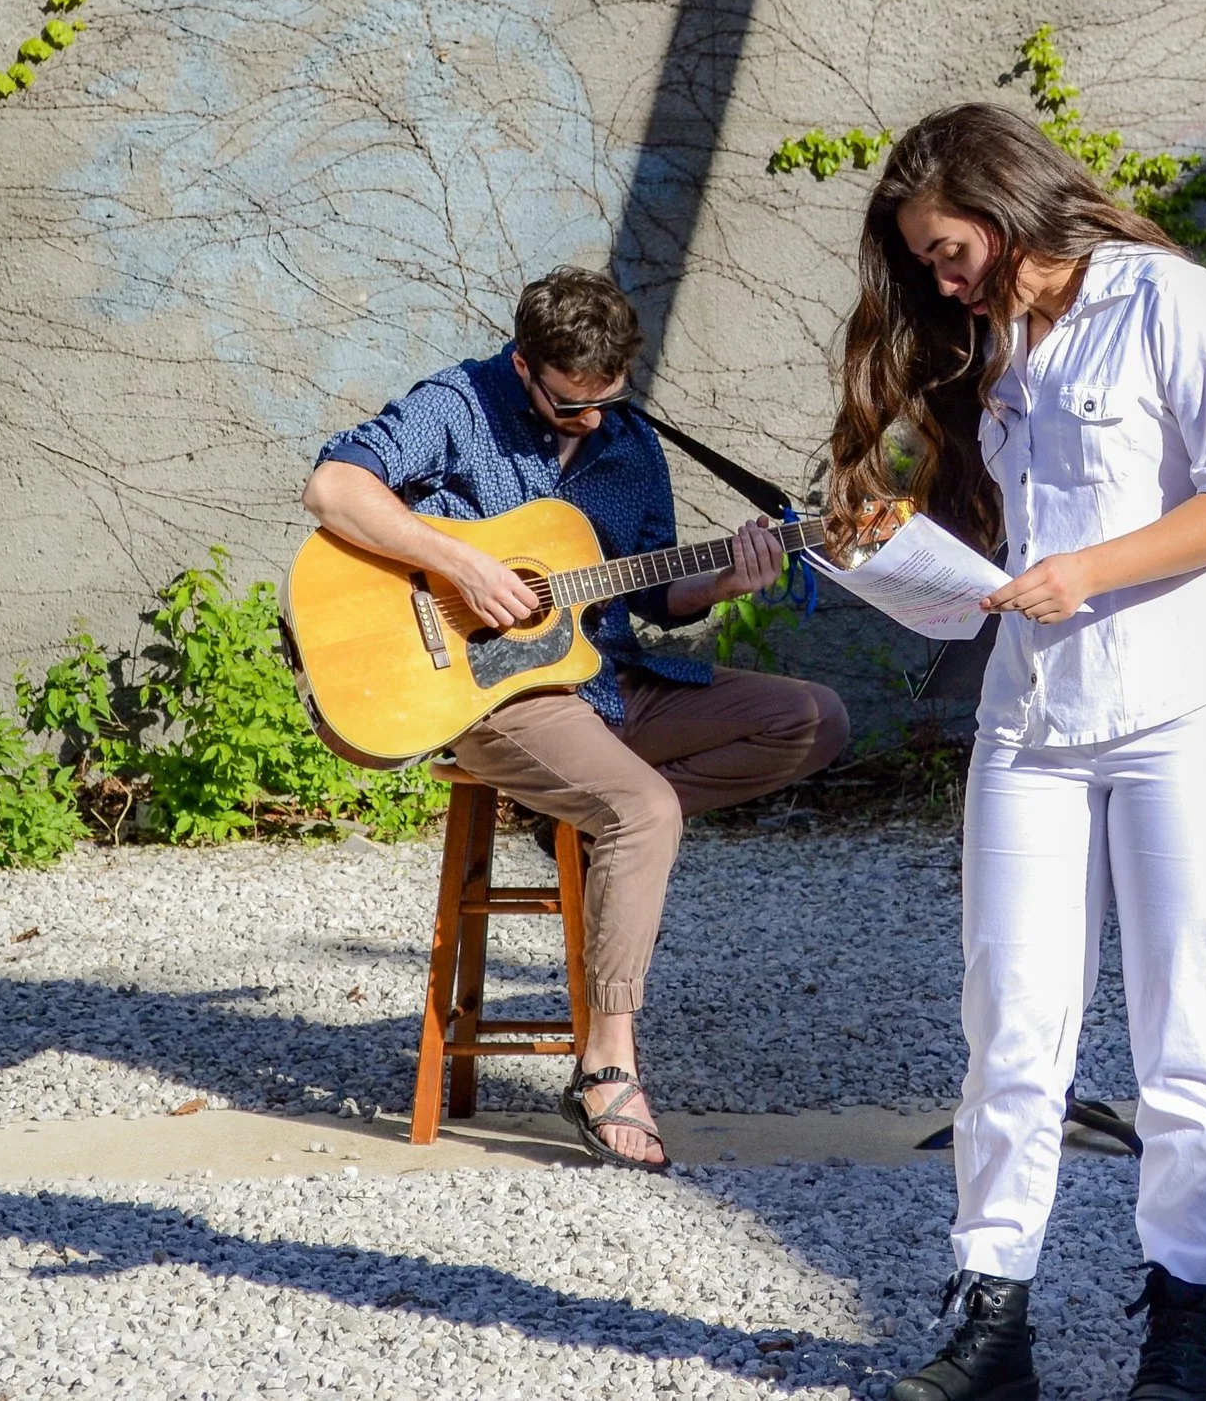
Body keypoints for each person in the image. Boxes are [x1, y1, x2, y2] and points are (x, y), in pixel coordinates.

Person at [829, 104, 1206, 1401]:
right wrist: (896, 540)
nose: (937, 273)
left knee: (1185, 1034)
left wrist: (1081, 568)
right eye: (920, 258)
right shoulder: (993, 342)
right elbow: (1003, 526)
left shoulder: (1175, 300)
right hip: (1031, 718)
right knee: (1011, 1028)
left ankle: (1178, 1333)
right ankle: (992, 1323)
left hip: (1188, 711)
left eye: (947, 244)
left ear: (1006, 198)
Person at [303, 266, 850, 1171]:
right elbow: (333, 490)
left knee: (813, 719)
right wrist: (463, 566)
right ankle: (605, 1065)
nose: (592, 421)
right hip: (498, 693)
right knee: (643, 809)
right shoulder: (459, 405)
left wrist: (727, 578)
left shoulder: (630, 442)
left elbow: (658, 594)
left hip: (609, 681)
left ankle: (614, 821)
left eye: (609, 401)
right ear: (526, 368)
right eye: (570, 407)